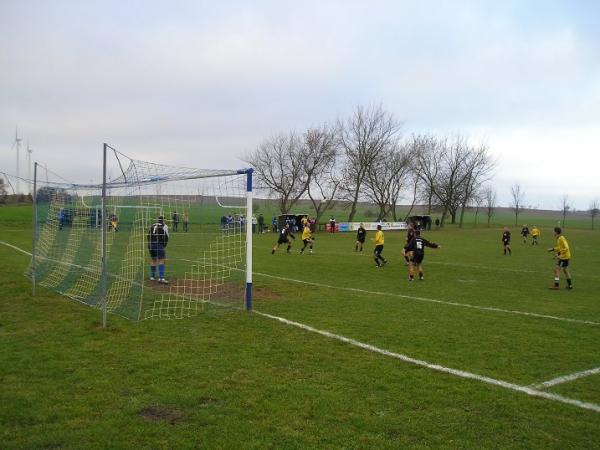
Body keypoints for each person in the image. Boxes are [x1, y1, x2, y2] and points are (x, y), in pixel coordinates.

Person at [148, 215, 169, 284]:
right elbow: (166, 237)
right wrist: (164, 246)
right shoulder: (164, 226)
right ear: (163, 220)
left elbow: (148, 236)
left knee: (153, 259)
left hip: (150, 244)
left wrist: (150, 244)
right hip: (158, 244)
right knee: (162, 260)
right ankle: (161, 278)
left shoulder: (153, 225)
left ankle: (152, 276)